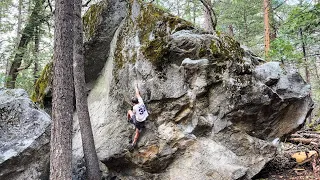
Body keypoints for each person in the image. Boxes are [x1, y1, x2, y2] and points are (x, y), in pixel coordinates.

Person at [127, 84, 149, 148]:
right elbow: (137, 94)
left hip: (138, 122)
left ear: (134, 103)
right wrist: (136, 87)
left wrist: (134, 111)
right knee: (138, 130)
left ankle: (128, 120)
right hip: (144, 119)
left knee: (129, 111)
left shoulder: (135, 107)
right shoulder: (141, 101)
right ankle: (134, 142)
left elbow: (133, 112)